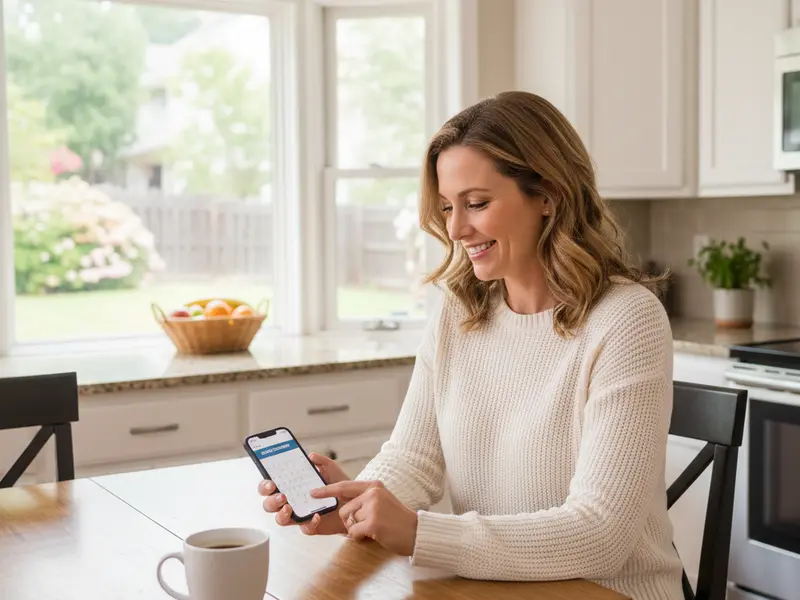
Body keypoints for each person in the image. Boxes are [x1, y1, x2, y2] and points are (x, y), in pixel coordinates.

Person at [259, 91, 682, 600]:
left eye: (477, 204)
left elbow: (601, 534)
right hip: (495, 589)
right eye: (447, 207)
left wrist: (420, 533)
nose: (457, 229)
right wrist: (353, 504)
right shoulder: (459, 312)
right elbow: (413, 458)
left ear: (548, 194)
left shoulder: (626, 320)